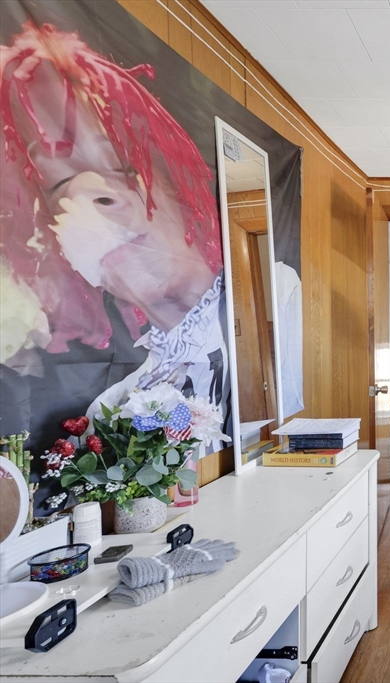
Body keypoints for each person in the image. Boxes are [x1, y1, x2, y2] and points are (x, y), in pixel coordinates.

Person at [0, 22, 230, 460]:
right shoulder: (111, 410)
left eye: (124, 165)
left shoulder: (277, 302)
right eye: (59, 188)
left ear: (178, 179)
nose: (92, 196)